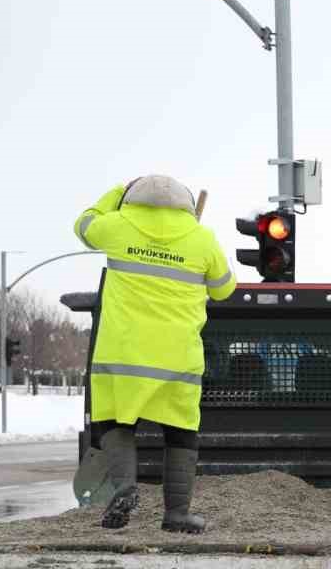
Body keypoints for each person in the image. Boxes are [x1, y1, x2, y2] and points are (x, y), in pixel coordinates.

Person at [72, 176, 236, 533]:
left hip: (122, 356)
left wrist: (116, 193)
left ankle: (125, 487)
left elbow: (83, 224)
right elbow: (224, 289)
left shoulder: (117, 225)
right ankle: (177, 514)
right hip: (178, 359)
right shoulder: (201, 238)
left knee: (115, 424)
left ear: (131, 200)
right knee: (180, 433)